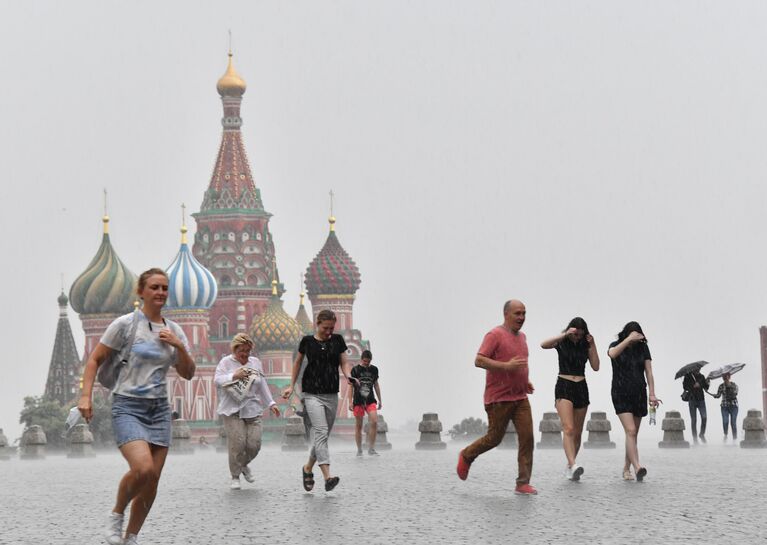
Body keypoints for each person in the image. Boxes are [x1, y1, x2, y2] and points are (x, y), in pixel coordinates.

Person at [78, 268, 195, 545]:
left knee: (152, 480)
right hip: (128, 405)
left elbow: (188, 373)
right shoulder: (125, 325)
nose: (160, 293)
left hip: (159, 410)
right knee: (143, 469)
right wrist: (85, 396)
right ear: (141, 291)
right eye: (154, 287)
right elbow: (94, 359)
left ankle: (131, 537)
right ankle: (116, 515)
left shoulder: (174, 330)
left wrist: (179, 346)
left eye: (164, 288)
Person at [456, 299, 537, 495]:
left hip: (520, 397)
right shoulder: (495, 335)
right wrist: (506, 367)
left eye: (524, 313)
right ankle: (467, 455)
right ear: (506, 314)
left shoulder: (523, 337)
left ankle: (522, 483)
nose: (521, 317)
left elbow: (520, 364)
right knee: (494, 438)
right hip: (498, 398)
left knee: (527, 438)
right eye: (517, 313)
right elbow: (479, 360)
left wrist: (525, 382)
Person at [282, 309, 357, 492]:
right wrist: (291, 386)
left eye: (332, 328)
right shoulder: (307, 342)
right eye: (326, 328)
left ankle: (307, 468)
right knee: (321, 432)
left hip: (331, 394)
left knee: (322, 437)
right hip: (312, 394)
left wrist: (348, 375)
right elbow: (297, 363)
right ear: (318, 324)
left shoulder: (337, 340)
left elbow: (344, 362)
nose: (329, 331)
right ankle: (328, 477)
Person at [214, 333, 280, 490]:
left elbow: (262, 383)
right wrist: (233, 375)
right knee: (237, 443)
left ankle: (243, 465)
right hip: (232, 410)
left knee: (254, 444)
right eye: (241, 350)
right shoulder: (226, 362)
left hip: (252, 408)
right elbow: (217, 380)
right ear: (234, 349)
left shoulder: (255, 362)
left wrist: (271, 403)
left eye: (247, 350)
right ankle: (235, 476)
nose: (244, 354)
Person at [540, 317, 599, 481]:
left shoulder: (585, 344)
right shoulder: (562, 341)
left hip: (581, 386)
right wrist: (565, 334)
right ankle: (573, 465)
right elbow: (543, 344)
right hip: (564, 384)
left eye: (580, 334)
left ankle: (569, 466)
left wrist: (592, 344)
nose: (577, 337)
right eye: (575, 333)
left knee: (578, 433)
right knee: (569, 429)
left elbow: (596, 366)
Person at [607, 321, 661, 482]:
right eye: (633, 335)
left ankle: (626, 469)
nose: (636, 339)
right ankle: (637, 467)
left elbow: (649, 372)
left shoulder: (643, 348)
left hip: (638, 392)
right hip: (620, 392)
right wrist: (627, 340)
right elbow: (612, 354)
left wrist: (652, 394)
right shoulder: (616, 345)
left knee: (632, 434)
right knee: (630, 430)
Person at [349, 349, 382, 456]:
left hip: (370, 400)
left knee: (374, 421)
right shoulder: (355, 370)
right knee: (359, 425)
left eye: (368, 362)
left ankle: (371, 449)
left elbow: (376, 385)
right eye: (364, 361)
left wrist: (380, 400)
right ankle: (359, 450)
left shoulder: (374, 370)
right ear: (361, 359)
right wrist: (350, 402)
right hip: (358, 401)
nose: (366, 363)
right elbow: (350, 387)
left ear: (370, 360)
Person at [682, 370, 709, 444]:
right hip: (692, 399)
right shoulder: (688, 376)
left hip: (701, 400)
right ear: (693, 369)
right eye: (696, 368)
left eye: (699, 368)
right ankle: (695, 438)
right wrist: (693, 386)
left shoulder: (702, 376)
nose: (698, 369)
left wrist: (707, 383)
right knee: (694, 420)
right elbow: (685, 387)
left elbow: (706, 388)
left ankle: (701, 434)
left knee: (704, 417)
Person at [712, 372, 739, 442]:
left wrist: (729, 386)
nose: (725, 378)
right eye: (724, 376)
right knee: (725, 421)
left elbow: (735, 393)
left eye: (727, 376)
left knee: (733, 422)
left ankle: (735, 438)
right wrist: (714, 395)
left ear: (729, 377)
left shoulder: (734, 385)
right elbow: (718, 395)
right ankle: (725, 434)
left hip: (734, 406)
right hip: (724, 406)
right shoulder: (721, 386)